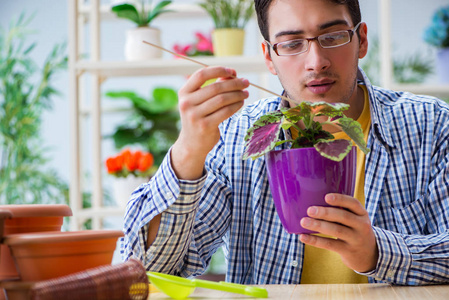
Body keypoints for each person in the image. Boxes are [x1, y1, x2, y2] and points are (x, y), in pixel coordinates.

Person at [121, 0, 449, 285]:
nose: (316, 61)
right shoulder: (238, 136)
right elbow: (143, 273)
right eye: (292, 44)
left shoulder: (431, 125)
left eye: (333, 36)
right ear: (268, 56)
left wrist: (378, 252)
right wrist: (188, 151)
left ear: (361, 40)